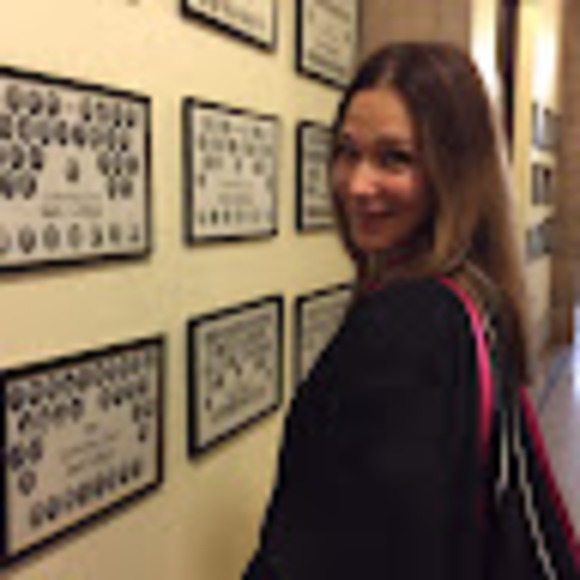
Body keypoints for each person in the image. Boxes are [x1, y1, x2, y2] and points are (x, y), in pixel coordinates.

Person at [243, 42, 532, 580]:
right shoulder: (473, 298)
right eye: (347, 151)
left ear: (454, 171)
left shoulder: (409, 324)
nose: (357, 184)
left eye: (395, 158)